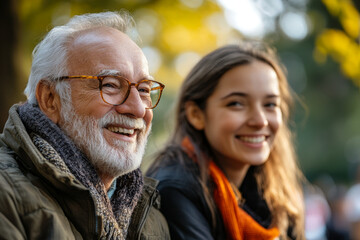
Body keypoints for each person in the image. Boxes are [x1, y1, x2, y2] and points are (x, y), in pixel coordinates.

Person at [0, 11, 170, 239]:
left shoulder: (152, 215)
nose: (138, 109)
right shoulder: (6, 194)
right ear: (50, 99)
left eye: (144, 90)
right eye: (110, 85)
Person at [148, 42, 305, 239]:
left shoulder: (276, 195)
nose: (260, 120)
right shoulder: (175, 189)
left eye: (270, 104)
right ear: (196, 114)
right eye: (236, 103)